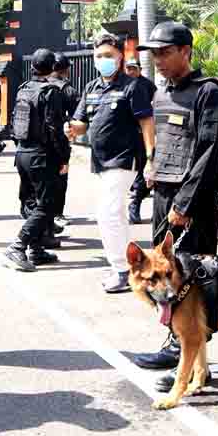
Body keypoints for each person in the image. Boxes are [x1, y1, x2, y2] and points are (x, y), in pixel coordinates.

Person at [129, 22, 218, 371]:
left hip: (190, 202)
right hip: (164, 194)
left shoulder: (209, 91)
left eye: (164, 52)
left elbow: (207, 148)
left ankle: (180, 352)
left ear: (185, 51)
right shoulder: (162, 92)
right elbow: (167, 142)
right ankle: (184, 348)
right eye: (153, 53)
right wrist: (150, 170)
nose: (157, 60)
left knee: (190, 279)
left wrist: (185, 204)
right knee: (163, 272)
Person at [65, 33, 154, 293]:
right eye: (99, 56)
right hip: (100, 162)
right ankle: (132, 266)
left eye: (109, 56)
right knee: (115, 215)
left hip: (124, 159)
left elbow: (146, 122)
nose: (103, 60)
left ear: (120, 57)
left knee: (106, 214)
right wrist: (71, 129)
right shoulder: (91, 88)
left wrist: (151, 159)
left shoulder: (132, 86)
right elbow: (82, 124)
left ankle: (122, 270)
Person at [3, 49, 70, 272]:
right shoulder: (50, 92)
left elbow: (16, 123)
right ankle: (18, 245)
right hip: (41, 156)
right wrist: (64, 156)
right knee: (48, 204)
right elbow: (55, 130)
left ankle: (37, 250)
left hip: (22, 153)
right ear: (52, 68)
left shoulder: (23, 89)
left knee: (32, 202)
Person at [50, 54, 80, 230]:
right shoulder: (67, 89)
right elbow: (79, 114)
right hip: (60, 142)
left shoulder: (35, 85)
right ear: (65, 69)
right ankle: (56, 214)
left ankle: (40, 215)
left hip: (37, 144)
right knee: (60, 177)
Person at [125, 57, 153, 224]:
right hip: (125, 137)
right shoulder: (121, 85)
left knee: (145, 171)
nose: (131, 71)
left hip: (143, 134)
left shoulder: (147, 85)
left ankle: (135, 203)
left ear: (140, 69)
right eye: (128, 68)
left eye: (133, 68)